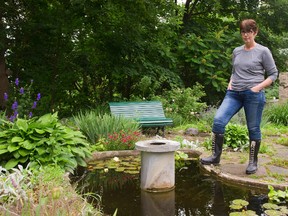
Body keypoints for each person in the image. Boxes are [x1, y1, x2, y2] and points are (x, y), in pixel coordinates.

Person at [200, 19, 278, 175]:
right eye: (243, 31)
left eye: (249, 31)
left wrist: (257, 88)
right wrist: (231, 82)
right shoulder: (236, 51)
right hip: (234, 94)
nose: (246, 35)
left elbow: (273, 74)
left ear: (255, 32)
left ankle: (252, 162)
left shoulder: (263, 51)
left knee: (253, 128)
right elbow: (235, 71)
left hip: (253, 95)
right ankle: (215, 156)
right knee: (218, 120)